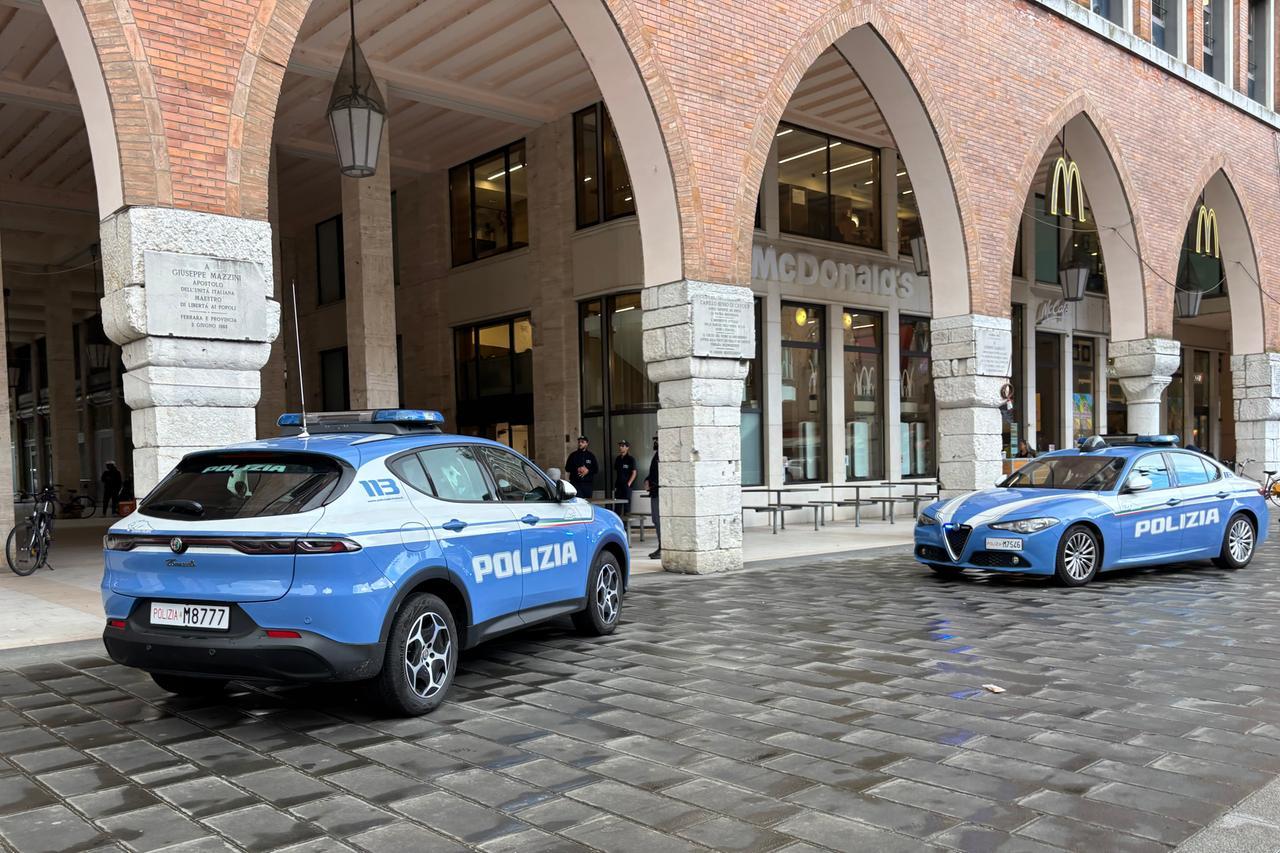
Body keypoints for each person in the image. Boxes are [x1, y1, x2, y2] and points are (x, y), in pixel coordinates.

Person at [644, 434, 660, 560]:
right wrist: (647, 480)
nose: (654, 441)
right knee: (656, 520)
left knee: (659, 521)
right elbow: (653, 473)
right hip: (654, 492)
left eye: (656, 439)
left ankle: (662, 547)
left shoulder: (662, 454)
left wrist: (652, 483)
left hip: (659, 493)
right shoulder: (657, 454)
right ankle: (661, 546)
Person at [613, 439, 637, 511]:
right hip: (618, 486)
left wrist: (628, 484)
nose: (621, 447)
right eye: (620, 446)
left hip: (626, 487)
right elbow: (617, 472)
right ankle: (618, 522)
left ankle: (625, 523)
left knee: (627, 507)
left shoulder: (630, 459)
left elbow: (634, 473)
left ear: (627, 447)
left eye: (623, 446)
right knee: (617, 507)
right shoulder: (618, 459)